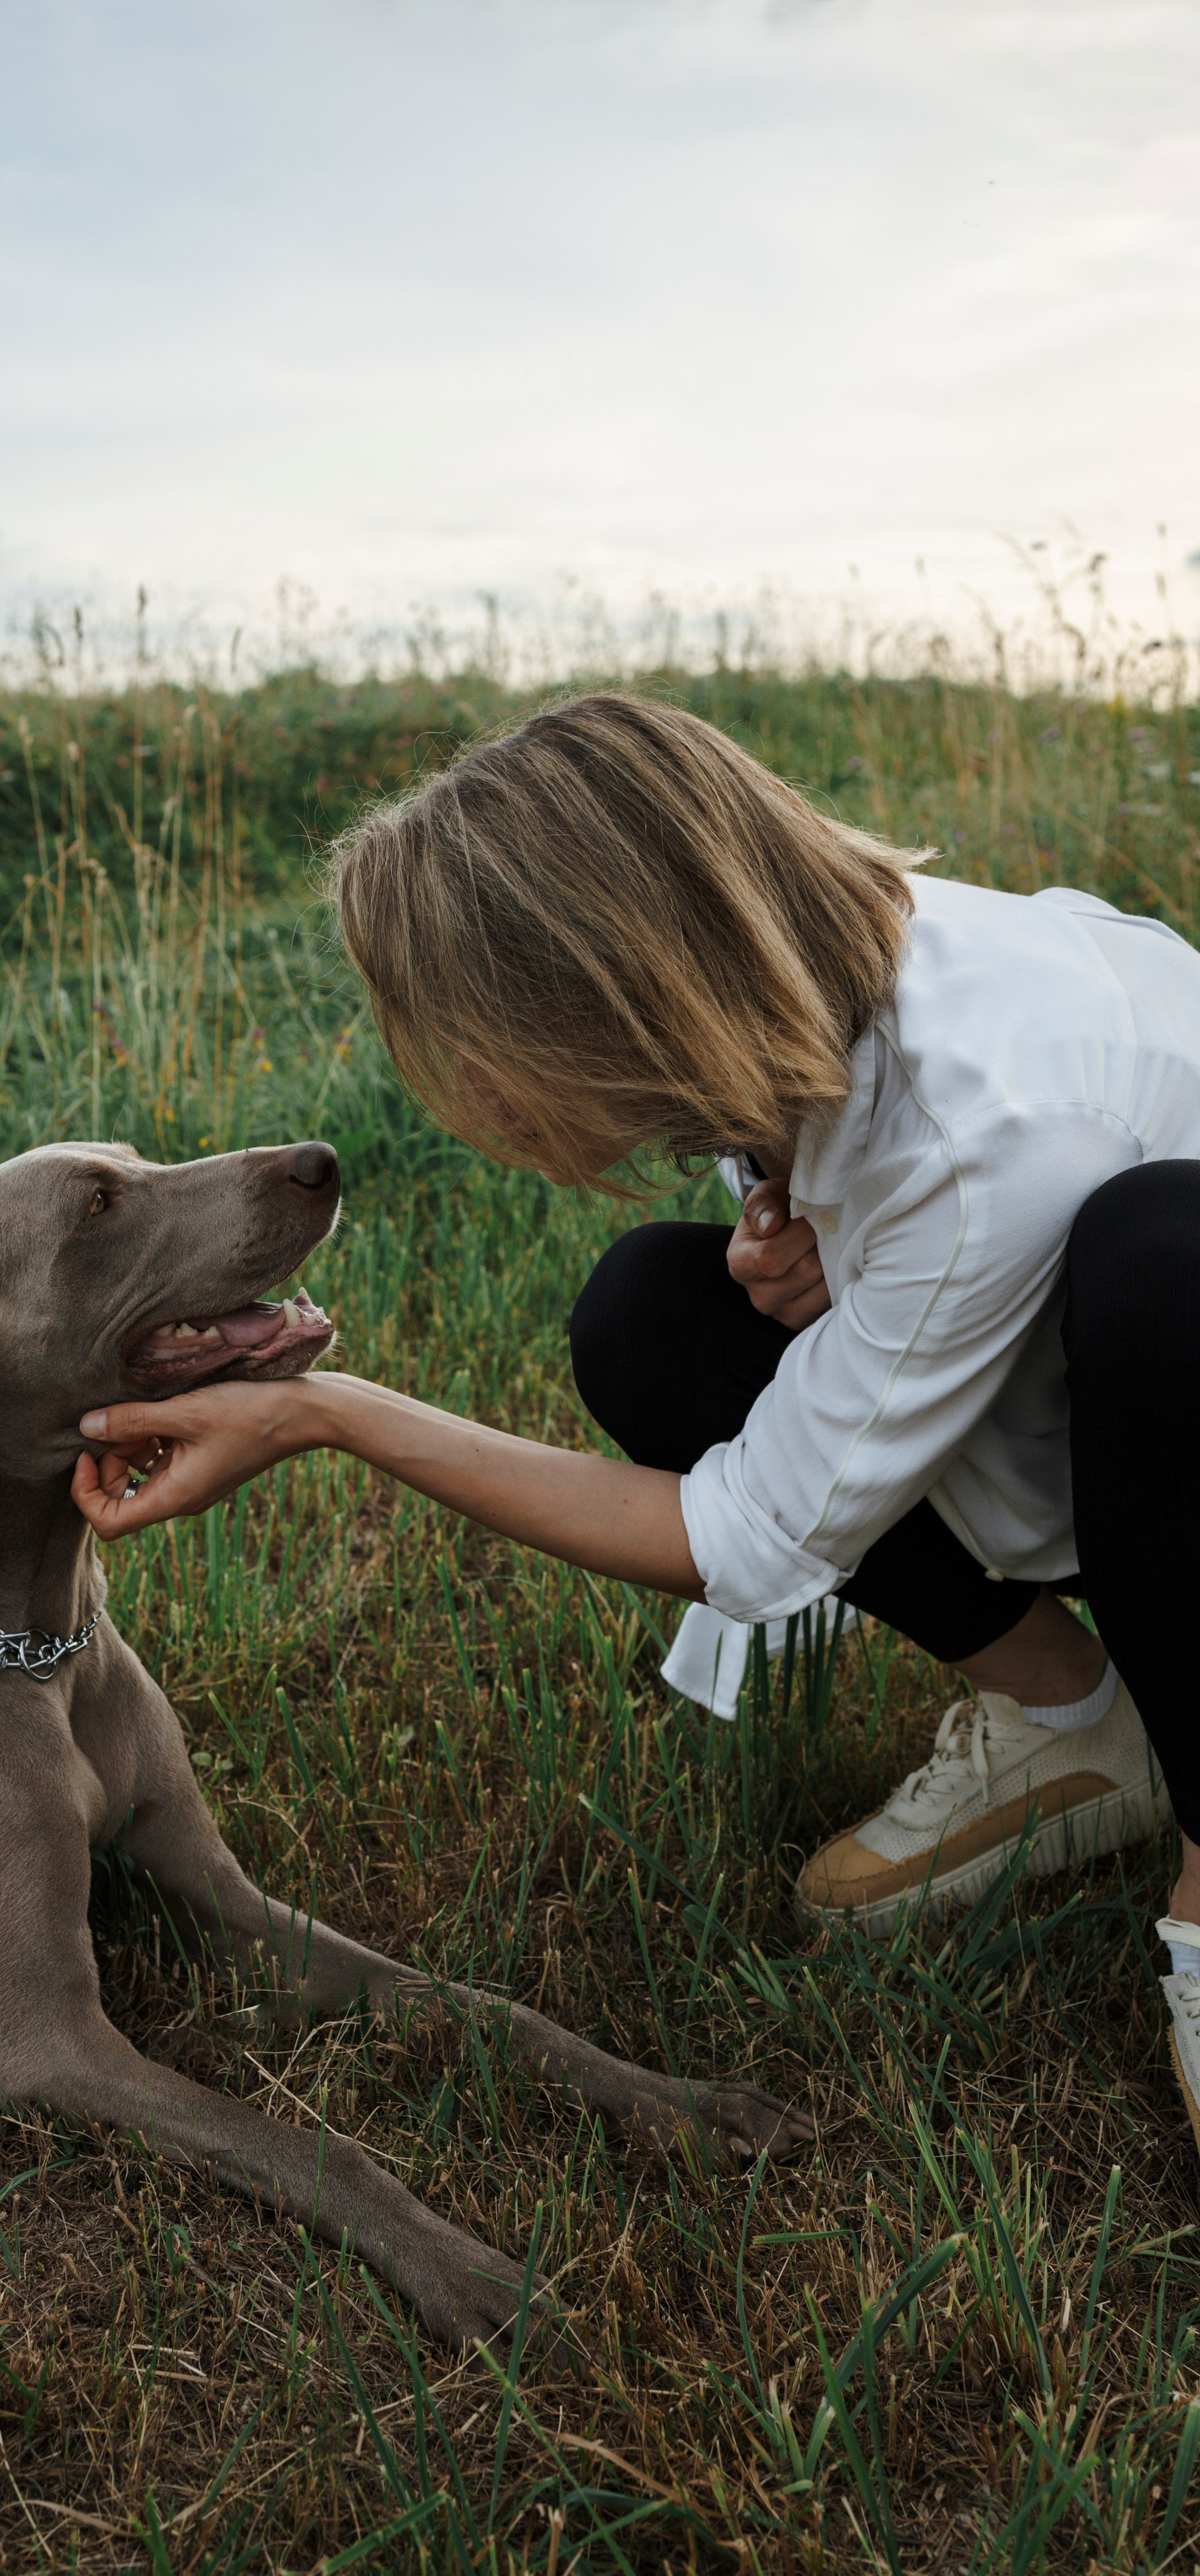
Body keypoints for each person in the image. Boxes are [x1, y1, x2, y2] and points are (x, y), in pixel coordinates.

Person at [70, 692, 1200, 2148]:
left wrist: (323, 1415)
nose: (466, 1084)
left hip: (1168, 1393)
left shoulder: (986, 1115)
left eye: (477, 1036)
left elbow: (738, 1535)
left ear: (614, 988)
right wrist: (802, 1248)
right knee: (652, 1314)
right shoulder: (820, 979)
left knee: (1160, 1259)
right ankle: (1075, 1724)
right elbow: (898, 1236)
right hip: (1087, 1432)